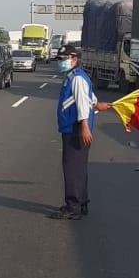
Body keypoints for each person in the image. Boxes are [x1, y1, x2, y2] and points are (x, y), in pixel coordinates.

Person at [50, 45, 110, 220]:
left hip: (75, 129)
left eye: (64, 59)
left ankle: (73, 207)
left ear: (74, 59)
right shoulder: (76, 77)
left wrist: (84, 126)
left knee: (72, 168)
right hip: (75, 127)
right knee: (79, 167)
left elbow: (82, 103)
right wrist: (98, 105)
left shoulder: (76, 78)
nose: (61, 63)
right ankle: (82, 202)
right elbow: (87, 99)